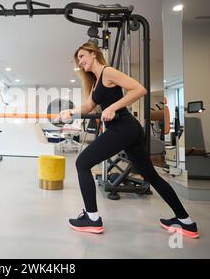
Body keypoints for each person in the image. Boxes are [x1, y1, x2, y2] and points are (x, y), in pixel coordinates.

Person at [59, 42, 199, 239]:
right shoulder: (97, 81)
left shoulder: (107, 72)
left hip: (123, 127)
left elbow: (139, 89)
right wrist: (70, 111)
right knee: (150, 175)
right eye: (78, 59)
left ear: (93, 54)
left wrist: (113, 107)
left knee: (82, 163)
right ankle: (186, 222)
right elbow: (89, 106)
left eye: (82, 56)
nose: (80, 62)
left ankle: (92, 219)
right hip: (127, 130)